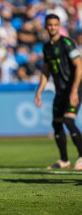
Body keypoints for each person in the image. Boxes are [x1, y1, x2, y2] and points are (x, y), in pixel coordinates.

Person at [35, 13, 82, 170]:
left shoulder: (67, 43)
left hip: (74, 88)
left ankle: (81, 156)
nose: (52, 27)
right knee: (56, 124)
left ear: (59, 26)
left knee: (68, 120)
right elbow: (46, 71)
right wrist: (39, 91)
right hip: (60, 91)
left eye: (55, 24)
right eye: (50, 24)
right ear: (46, 26)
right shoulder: (47, 47)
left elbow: (79, 66)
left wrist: (74, 90)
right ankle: (64, 160)